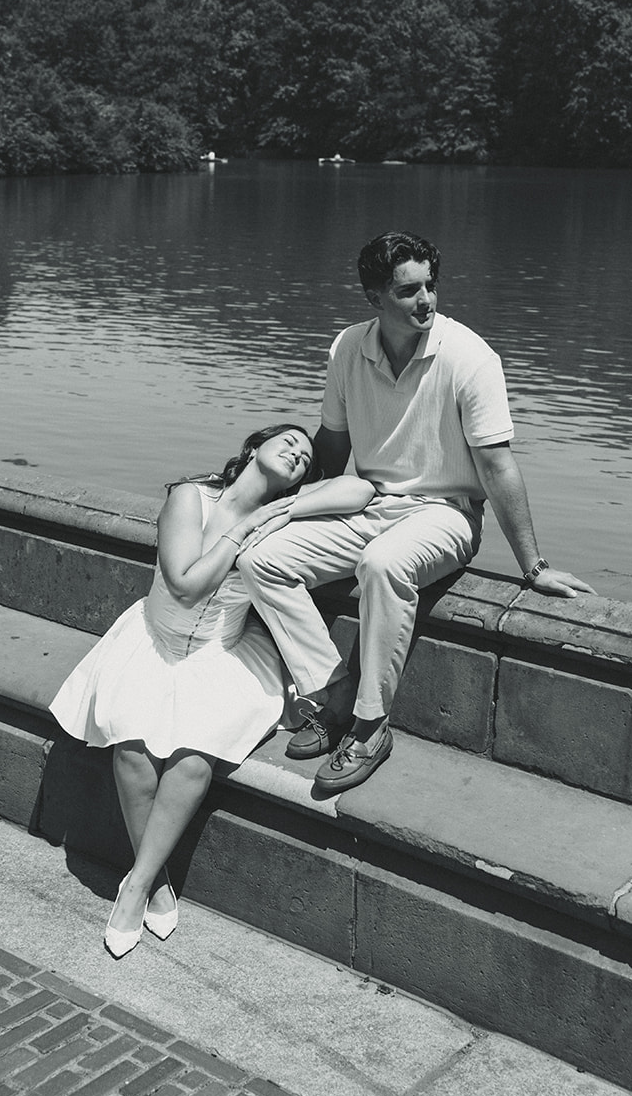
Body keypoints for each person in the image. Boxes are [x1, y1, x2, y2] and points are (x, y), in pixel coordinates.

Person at [238, 231, 595, 796]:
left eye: (430, 285)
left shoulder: (469, 357)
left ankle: (370, 724)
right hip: (371, 501)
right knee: (261, 558)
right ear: (374, 297)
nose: (426, 300)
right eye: (408, 291)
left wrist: (534, 566)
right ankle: (331, 692)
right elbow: (333, 443)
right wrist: (294, 507)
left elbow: (498, 467)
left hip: (446, 513)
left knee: (383, 565)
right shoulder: (346, 348)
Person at [49, 423, 374, 958]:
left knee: (193, 760)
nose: (297, 451)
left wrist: (283, 510)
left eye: (306, 454)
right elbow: (183, 583)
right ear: (253, 448)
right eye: (287, 441)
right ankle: (154, 883)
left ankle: (135, 886)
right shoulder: (191, 497)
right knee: (131, 747)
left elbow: (362, 492)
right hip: (153, 639)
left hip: (223, 652)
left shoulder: (284, 518)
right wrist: (242, 532)